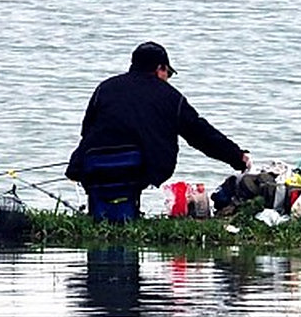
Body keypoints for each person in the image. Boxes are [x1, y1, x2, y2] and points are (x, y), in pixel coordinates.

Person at [66, 42, 251, 222]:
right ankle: (128, 211)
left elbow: (86, 130)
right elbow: (201, 135)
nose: (167, 78)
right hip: (135, 169)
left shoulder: (104, 89)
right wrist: (237, 157)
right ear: (160, 68)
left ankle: (103, 214)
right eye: (168, 73)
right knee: (139, 157)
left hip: (94, 165)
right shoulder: (171, 97)